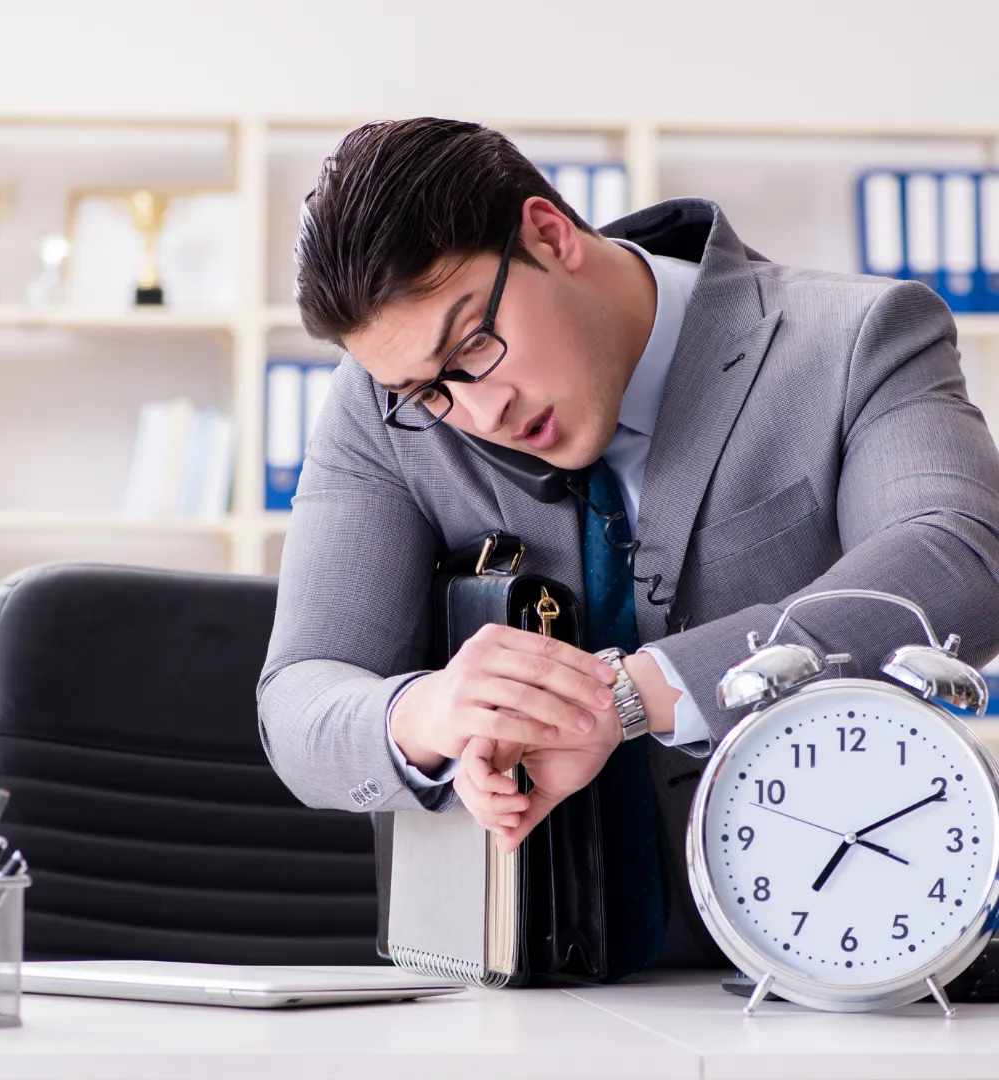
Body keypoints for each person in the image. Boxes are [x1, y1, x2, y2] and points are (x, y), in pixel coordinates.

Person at [256, 116, 999, 970]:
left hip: (819, 958)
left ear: (549, 233)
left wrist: (626, 696)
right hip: (512, 970)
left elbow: (960, 559)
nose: (479, 413)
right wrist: (428, 710)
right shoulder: (384, 411)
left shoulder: (856, 339)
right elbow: (299, 699)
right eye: (430, 393)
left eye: (475, 345)